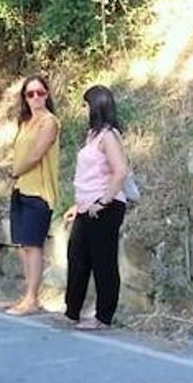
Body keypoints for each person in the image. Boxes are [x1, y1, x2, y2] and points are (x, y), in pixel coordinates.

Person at [64, 85, 130, 331]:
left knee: (103, 261)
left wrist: (103, 202)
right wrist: (78, 204)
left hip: (106, 206)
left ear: (95, 106)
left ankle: (104, 317)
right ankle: (72, 312)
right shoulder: (92, 135)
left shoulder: (108, 136)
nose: (83, 109)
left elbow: (120, 171)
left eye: (85, 104)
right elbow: (90, 174)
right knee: (77, 256)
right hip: (86, 206)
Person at [6, 76, 60, 316]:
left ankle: (32, 298)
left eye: (40, 92)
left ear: (47, 94)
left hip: (39, 190)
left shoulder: (49, 122)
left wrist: (16, 170)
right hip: (21, 188)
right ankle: (29, 295)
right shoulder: (25, 122)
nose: (35, 98)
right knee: (23, 245)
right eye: (30, 94)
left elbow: (37, 154)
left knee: (33, 245)